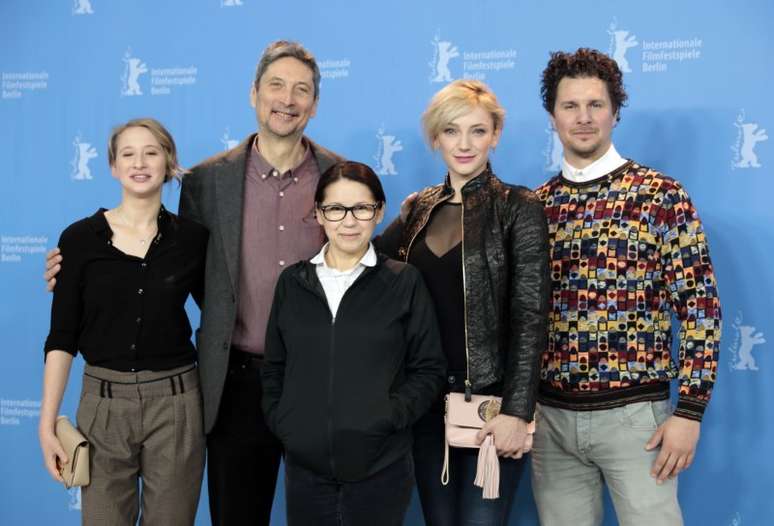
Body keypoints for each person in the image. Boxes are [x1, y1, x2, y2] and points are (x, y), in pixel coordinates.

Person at [44, 41, 344, 525]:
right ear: (254, 93)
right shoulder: (206, 181)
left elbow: (365, 262)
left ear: (315, 103)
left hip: (321, 378)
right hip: (235, 383)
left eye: (301, 90)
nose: (287, 99)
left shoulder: (340, 176)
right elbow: (187, 272)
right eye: (276, 85)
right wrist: (75, 267)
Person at [531, 48, 722, 526]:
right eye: (570, 105)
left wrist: (690, 411)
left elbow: (699, 307)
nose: (583, 117)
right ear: (552, 116)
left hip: (637, 419)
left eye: (595, 104)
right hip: (551, 422)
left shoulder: (661, 196)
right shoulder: (535, 206)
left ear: (615, 112)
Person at [378, 79, 550, 526]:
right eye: (452, 131)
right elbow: (368, 269)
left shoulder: (518, 206)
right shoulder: (419, 209)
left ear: (495, 135)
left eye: (478, 130)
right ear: (436, 138)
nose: (465, 144)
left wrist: (517, 410)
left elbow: (531, 317)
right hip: (424, 404)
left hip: (490, 404)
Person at [38, 118, 208, 525]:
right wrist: (46, 424)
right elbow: (62, 337)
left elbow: (224, 312)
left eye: (151, 152)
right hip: (103, 407)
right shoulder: (78, 240)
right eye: (128, 154)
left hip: (176, 405)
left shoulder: (194, 239)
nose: (140, 163)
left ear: (168, 162)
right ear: (113, 166)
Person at [262, 161, 446, 526]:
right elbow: (274, 367)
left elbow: (428, 369)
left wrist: (388, 417)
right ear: (319, 214)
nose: (349, 221)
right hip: (306, 470)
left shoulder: (404, 282)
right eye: (336, 208)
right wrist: (286, 423)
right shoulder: (292, 283)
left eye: (361, 208)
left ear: (378, 212)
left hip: (381, 466)